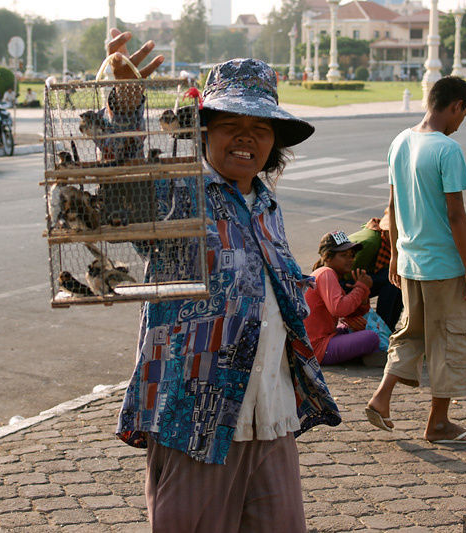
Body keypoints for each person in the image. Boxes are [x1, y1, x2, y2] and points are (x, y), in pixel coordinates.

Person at [109, 30, 339, 531]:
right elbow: (121, 200)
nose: (246, 137)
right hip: (197, 419)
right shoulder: (180, 191)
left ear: (274, 140)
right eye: (230, 124)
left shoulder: (266, 204)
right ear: (203, 131)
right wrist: (126, 108)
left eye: (260, 127)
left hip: (270, 415)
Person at [366, 76, 466, 445]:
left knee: (412, 332)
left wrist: (396, 253)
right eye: (462, 114)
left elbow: (392, 205)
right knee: (453, 339)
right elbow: (456, 216)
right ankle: (438, 423)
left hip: (411, 264)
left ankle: (381, 398)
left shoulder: (400, 140)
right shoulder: (447, 149)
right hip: (443, 266)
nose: (460, 122)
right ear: (456, 106)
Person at [304, 231, 386, 366]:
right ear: (328, 257)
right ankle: (363, 357)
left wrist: (363, 294)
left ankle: (358, 354)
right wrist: (360, 288)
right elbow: (339, 309)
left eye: (352, 255)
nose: (350, 259)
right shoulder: (326, 273)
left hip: (323, 338)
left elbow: (353, 313)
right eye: (343, 255)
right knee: (371, 337)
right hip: (315, 348)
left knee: (354, 327)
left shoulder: (332, 275)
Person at [347, 210, 403, 330]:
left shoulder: (385, 242)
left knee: (397, 279)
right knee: (391, 281)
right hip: (342, 282)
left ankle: (388, 327)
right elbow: (347, 273)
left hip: (360, 277)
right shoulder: (370, 242)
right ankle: (382, 327)